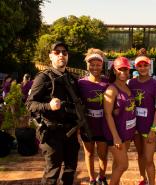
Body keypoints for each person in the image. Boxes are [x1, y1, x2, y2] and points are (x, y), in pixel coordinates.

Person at [26, 41, 80, 185]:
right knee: (52, 172)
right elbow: (30, 104)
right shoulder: (43, 77)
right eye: (57, 52)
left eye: (64, 52)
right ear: (50, 56)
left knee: (70, 169)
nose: (61, 55)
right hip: (51, 132)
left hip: (71, 131)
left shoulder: (72, 78)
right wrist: (48, 106)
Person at [128, 55, 156, 185]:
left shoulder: (155, 84)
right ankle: (143, 178)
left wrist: (154, 129)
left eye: (145, 65)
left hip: (149, 127)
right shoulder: (131, 83)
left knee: (149, 159)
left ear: (149, 66)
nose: (142, 68)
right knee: (140, 155)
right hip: (135, 127)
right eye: (139, 65)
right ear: (135, 67)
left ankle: (152, 183)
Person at [103, 57, 136, 185]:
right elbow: (107, 114)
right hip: (115, 134)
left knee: (117, 164)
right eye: (120, 69)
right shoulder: (112, 90)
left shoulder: (127, 86)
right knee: (123, 165)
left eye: (126, 69)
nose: (124, 72)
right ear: (115, 71)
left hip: (126, 132)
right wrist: (115, 137)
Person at [78, 48, 109, 185]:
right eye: (92, 64)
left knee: (102, 155)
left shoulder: (108, 83)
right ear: (87, 65)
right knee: (89, 154)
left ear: (102, 65)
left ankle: (102, 178)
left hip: (103, 126)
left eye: (98, 64)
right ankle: (92, 179)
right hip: (87, 126)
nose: (95, 67)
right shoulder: (81, 83)